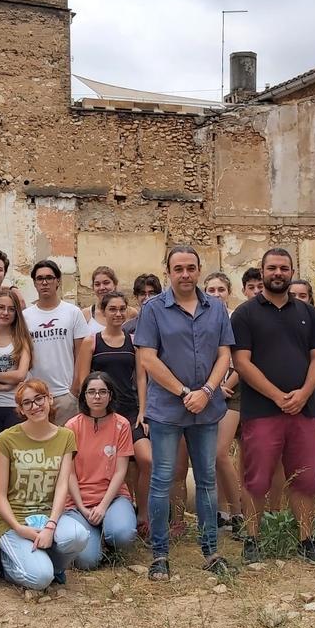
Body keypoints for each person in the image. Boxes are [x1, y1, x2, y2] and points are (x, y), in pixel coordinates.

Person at [135, 246, 235, 581]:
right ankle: (160, 553)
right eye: (178, 268)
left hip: (206, 409)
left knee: (206, 480)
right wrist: (183, 392)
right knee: (162, 480)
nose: (185, 274)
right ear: (168, 271)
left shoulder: (216, 308)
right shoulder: (152, 309)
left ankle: (211, 550)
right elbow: (148, 358)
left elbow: (225, 354)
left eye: (191, 268)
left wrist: (206, 391)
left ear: (198, 269)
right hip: (167, 409)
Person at [232, 250, 315, 565]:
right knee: (256, 477)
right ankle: (252, 539)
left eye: (284, 268)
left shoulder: (309, 313)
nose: (278, 272)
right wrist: (277, 396)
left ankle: (306, 538)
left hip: (304, 408)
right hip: (262, 410)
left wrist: (303, 393)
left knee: (305, 477)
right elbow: (241, 363)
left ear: (291, 271)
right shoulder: (245, 314)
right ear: (262, 273)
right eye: (272, 268)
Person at [0, 380, 89, 590]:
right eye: (27, 403)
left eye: (39, 399)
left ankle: (54, 566)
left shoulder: (65, 436)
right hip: (15, 520)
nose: (35, 406)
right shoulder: (6, 439)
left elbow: (62, 485)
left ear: (49, 399)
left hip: (48, 515)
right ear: (20, 409)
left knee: (78, 536)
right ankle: (5, 563)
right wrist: (19, 529)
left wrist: (51, 525)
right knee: (40, 579)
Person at [74, 291, 152, 530]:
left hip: (129, 411)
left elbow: (141, 378)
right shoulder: (92, 341)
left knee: (146, 460)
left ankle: (143, 513)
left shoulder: (135, 342)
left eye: (121, 309)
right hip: (100, 412)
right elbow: (83, 381)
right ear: (103, 311)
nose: (118, 314)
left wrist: (142, 411)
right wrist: (86, 414)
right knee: (109, 463)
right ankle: (111, 512)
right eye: (112, 309)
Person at [64, 373, 137, 568]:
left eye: (103, 392)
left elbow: (120, 471)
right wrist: (82, 507)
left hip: (112, 498)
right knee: (87, 562)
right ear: (84, 396)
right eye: (92, 392)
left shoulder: (121, 425)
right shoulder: (71, 427)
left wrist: (103, 507)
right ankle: (96, 538)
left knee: (123, 534)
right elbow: (69, 473)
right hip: (79, 502)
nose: (97, 397)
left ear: (110, 395)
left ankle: (109, 533)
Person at [287, 279, 315, 535]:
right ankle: (293, 516)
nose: (298, 298)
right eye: (294, 294)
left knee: (314, 462)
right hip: (283, 396)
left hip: (311, 395)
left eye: (303, 295)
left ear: (311, 298)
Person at [203, 273, 244, 537]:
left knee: (220, 452)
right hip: (208, 389)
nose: (216, 293)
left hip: (233, 389)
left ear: (229, 291)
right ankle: (220, 512)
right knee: (209, 456)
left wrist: (226, 384)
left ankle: (240, 512)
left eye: (221, 289)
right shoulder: (202, 316)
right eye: (211, 289)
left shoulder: (237, 318)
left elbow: (242, 357)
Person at [23, 260, 89, 425]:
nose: (44, 282)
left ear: (57, 281)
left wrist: (74, 390)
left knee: (67, 446)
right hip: (36, 397)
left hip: (65, 394)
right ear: (35, 283)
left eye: (49, 278)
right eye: (40, 279)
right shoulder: (25, 316)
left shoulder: (73, 313)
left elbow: (81, 354)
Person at [0, 289, 34, 495]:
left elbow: (21, 375)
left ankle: (17, 505)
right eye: (1, 307)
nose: (5, 312)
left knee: (17, 459)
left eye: (11, 309)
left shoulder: (21, 338)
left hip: (15, 408)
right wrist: (3, 381)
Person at [84, 266, 137, 334]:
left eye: (106, 283)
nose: (102, 287)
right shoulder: (86, 314)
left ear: (115, 284)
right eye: (97, 284)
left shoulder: (131, 313)